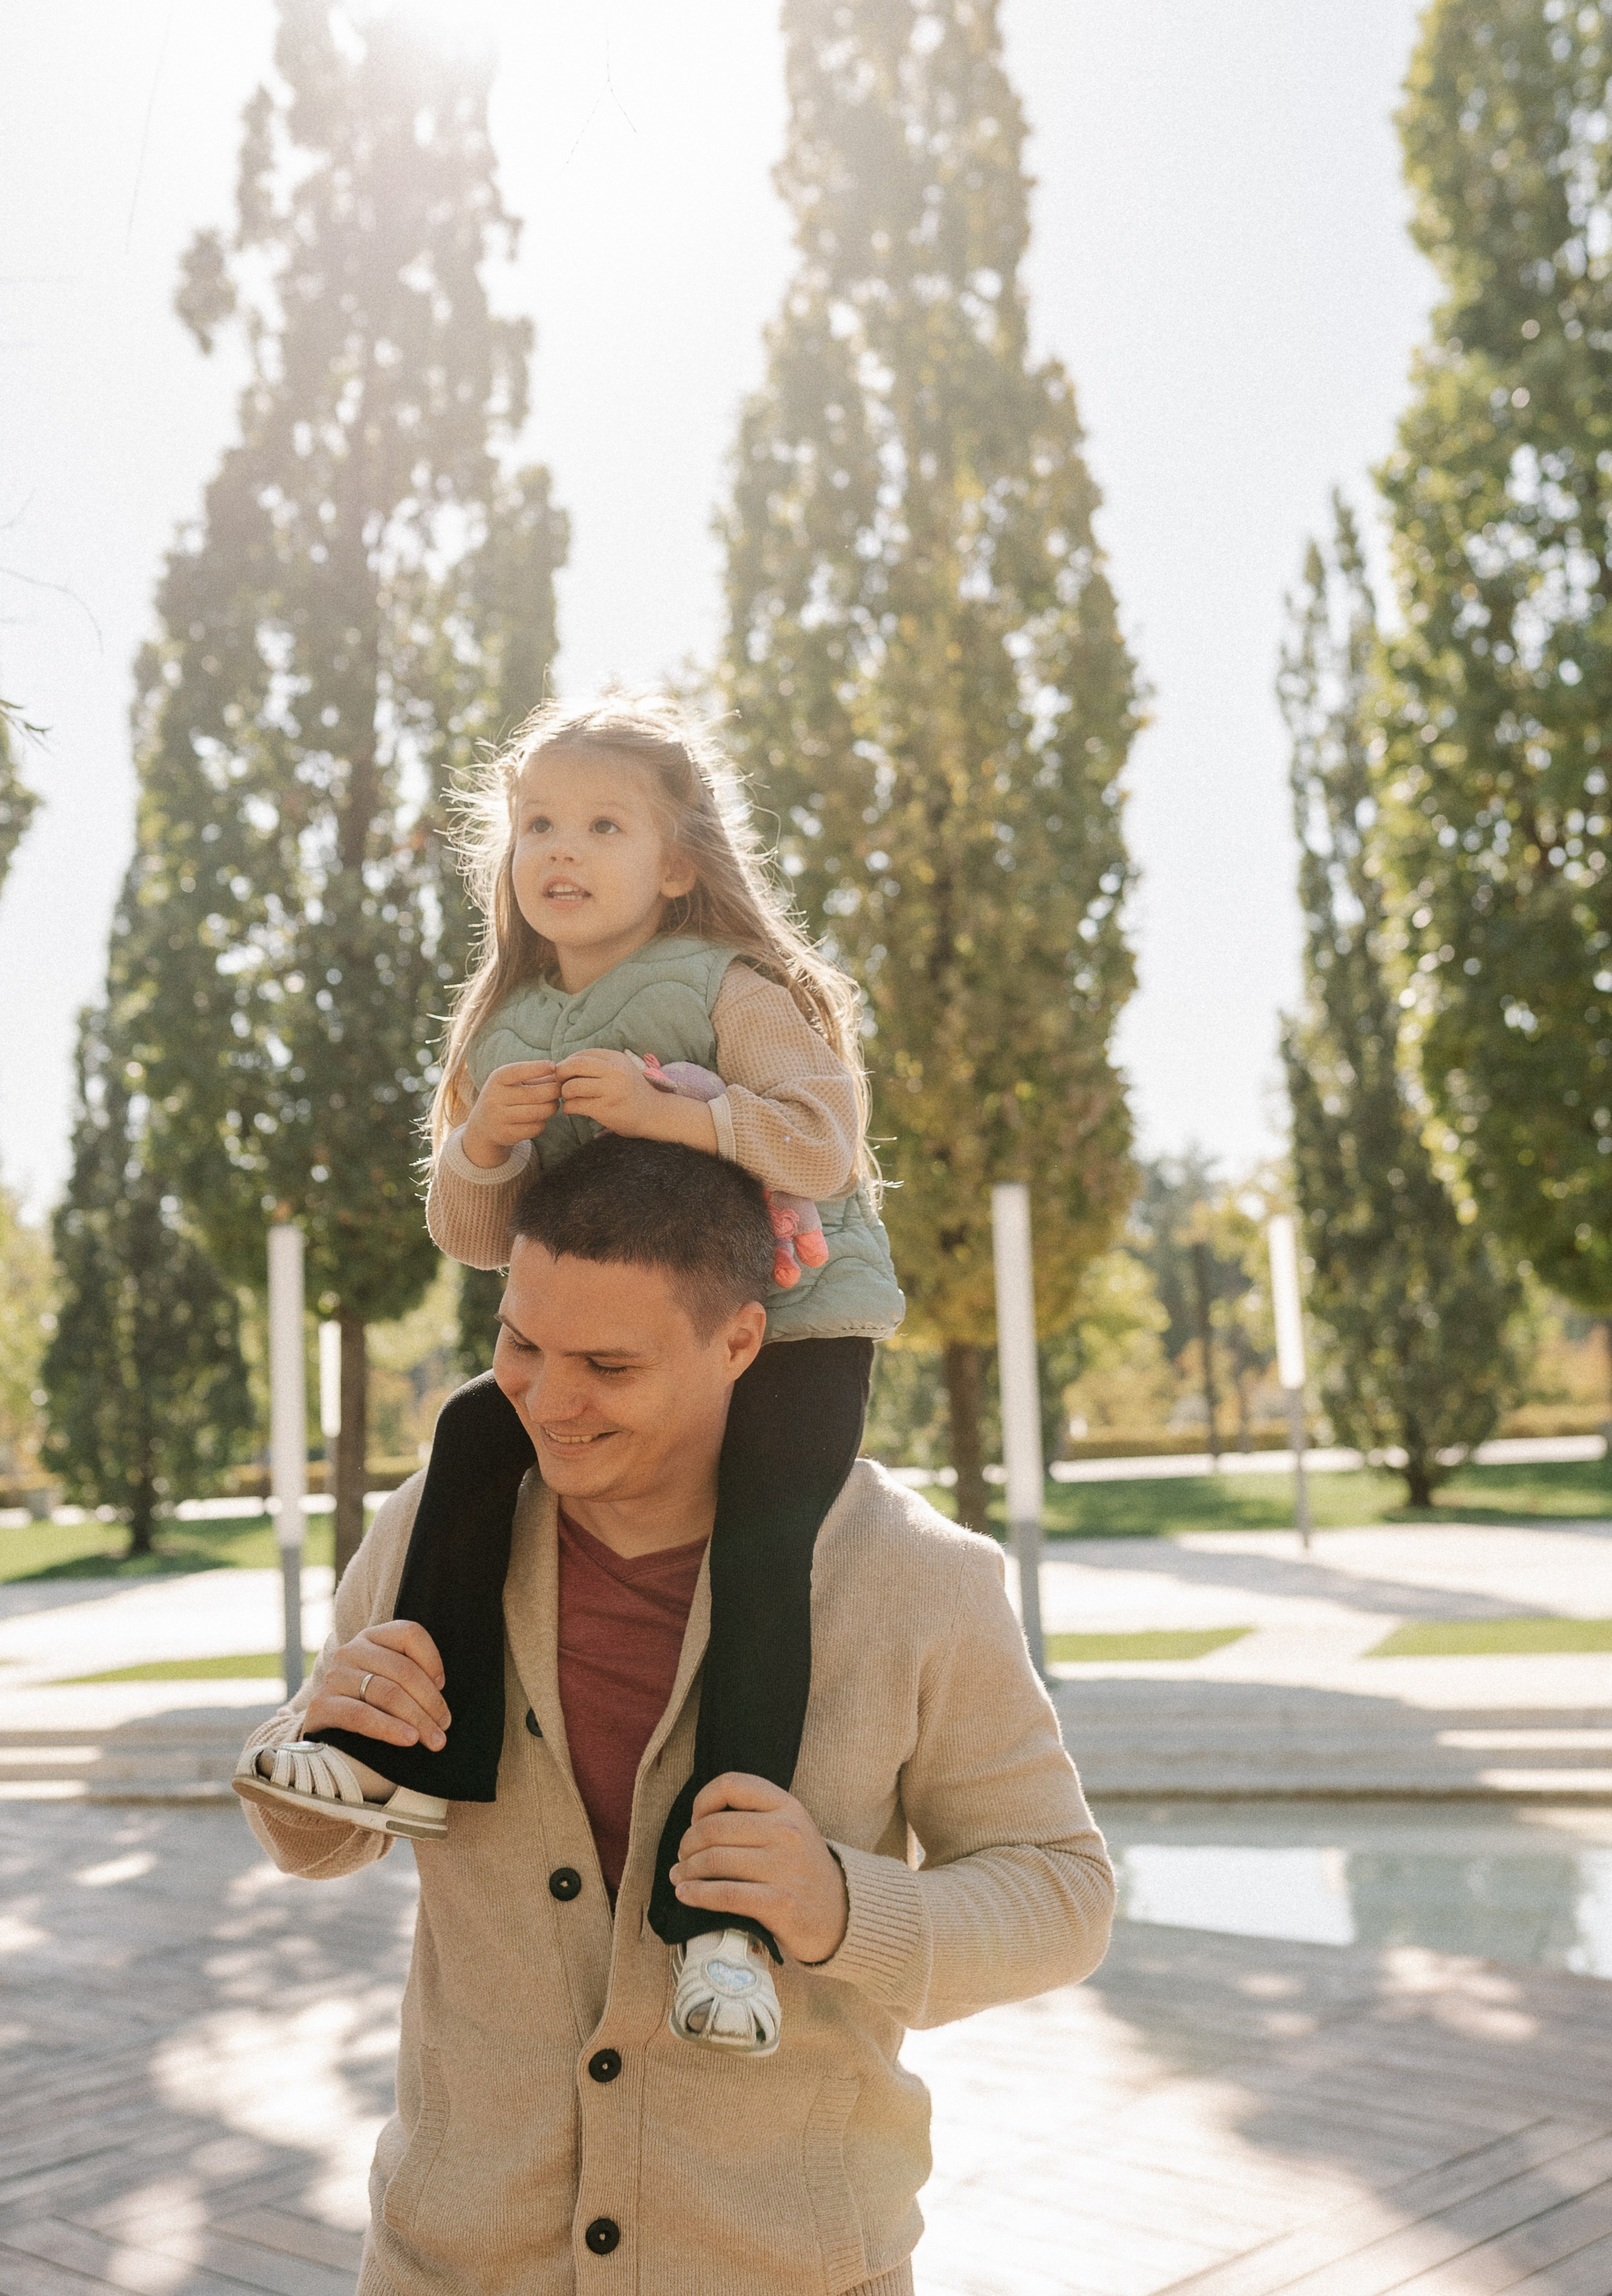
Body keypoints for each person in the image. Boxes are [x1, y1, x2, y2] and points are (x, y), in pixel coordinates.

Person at [236, 1139, 1113, 2296]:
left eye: (607, 1364)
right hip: (451, 2268)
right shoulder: (427, 1531)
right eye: (521, 1344)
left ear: (739, 1342)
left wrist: (842, 1906)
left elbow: (1063, 1894)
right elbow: (317, 1839)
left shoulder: (918, 1578)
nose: (550, 1401)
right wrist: (309, 1739)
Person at [236, 695, 908, 2054]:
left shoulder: (724, 985)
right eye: (537, 822)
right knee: (472, 1434)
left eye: (603, 825)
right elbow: (476, 1234)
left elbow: (823, 1143)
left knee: (761, 1555)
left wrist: (676, 1111)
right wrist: (480, 1141)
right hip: (620, 1353)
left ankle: (721, 1926)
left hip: (795, 1326)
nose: (560, 848)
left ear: (676, 863)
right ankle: (405, 1756)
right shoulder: (507, 1026)